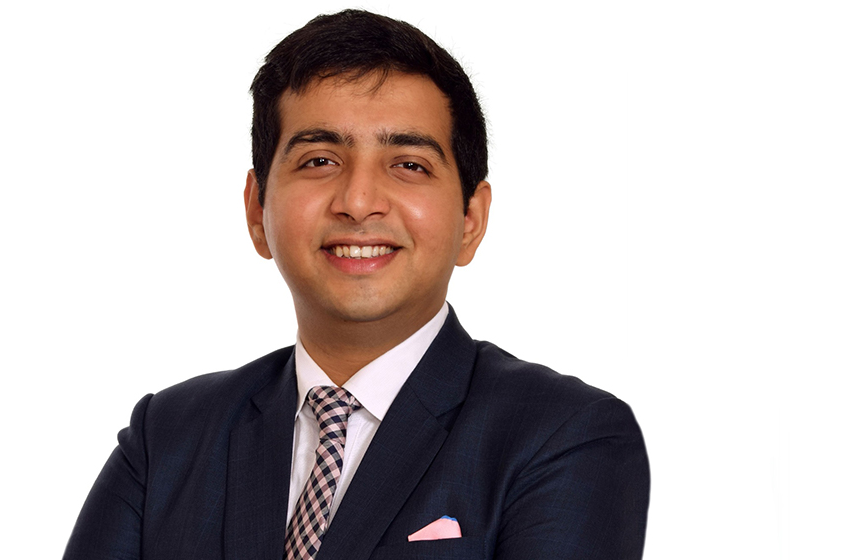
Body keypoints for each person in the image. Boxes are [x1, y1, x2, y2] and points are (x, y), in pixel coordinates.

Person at [63, 9, 649, 560]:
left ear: (471, 220)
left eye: (409, 165)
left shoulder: (567, 436)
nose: (359, 201)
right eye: (319, 160)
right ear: (256, 210)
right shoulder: (167, 437)